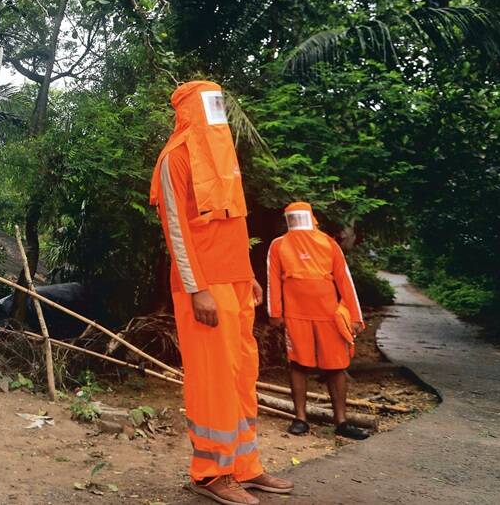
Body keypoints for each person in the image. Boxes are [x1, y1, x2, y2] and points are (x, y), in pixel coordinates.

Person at [149, 81, 293, 505]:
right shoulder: (174, 158)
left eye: (220, 104)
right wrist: (198, 289)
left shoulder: (223, 158)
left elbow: (235, 226)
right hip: (204, 288)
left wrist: (247, 274)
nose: (217, 114)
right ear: (189, 110)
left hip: (234, 285)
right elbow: (175, 230)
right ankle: (211, 474)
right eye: (209, 105)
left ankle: (245, 467)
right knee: (212, 380)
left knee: (241, 375)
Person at [266, 202, 369, 440]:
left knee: (336, 365)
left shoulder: (328, 243)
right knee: (298, 364)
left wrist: (355, 316)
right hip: (295, 314)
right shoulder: (279, 245)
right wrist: (275, 313)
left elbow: (345, 280)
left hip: (329, 314)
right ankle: (300, 418)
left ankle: (341, 421)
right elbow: (273, 280)